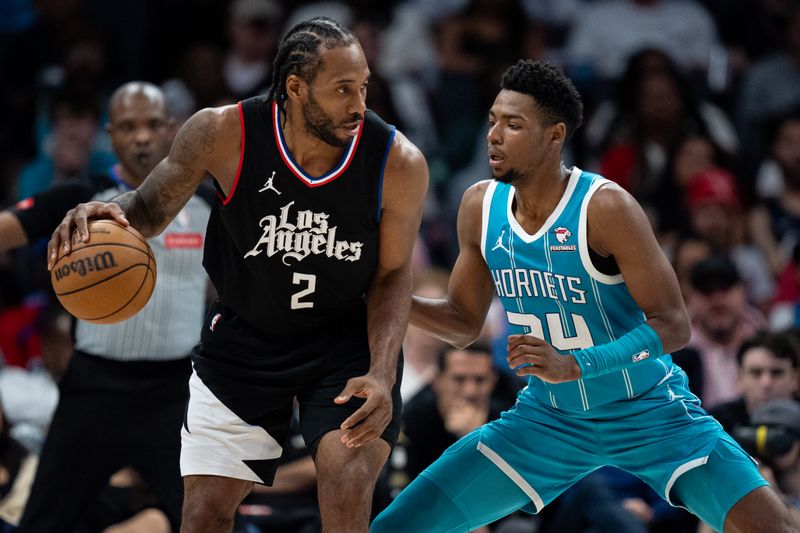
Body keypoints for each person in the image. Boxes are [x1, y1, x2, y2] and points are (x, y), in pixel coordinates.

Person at [371, 60, 797, 533]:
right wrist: (390, 299)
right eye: (492, 121)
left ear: (555, 136)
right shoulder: (478, 206)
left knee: (773, 527)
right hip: (549, 419)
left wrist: (577, 365)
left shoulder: (606, 207)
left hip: (651, 414)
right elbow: (463, 322)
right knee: (396, 526)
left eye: (513, 125)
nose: (494, 135)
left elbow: (674, 325)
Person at [47, 17, 428, 533]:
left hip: (344, 342)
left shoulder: (396, 160)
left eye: (361, 87)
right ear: (295, 87)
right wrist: (101, 211)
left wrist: (383, 371)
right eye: (343, 90)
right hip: (244, 338)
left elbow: (393, 273)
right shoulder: (221, 132)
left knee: (348, 479)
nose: (360, 104)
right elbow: (147, 210)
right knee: (204, 513)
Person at [5, 81, 213, 532]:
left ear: (172, 130)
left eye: (153, 124)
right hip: (93, 388)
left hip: (174, 394)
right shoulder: (81, 199)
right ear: (111, 135)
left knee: (204, 522)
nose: (141, 136)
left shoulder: (209, 203)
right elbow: (7, 227)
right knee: (41, 523)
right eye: (128, 126)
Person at [710, 332, 800, 436]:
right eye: (756, 373)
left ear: (795, 379)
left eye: (777, 373)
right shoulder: (717, 422)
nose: (766, 383)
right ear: (739, 378)